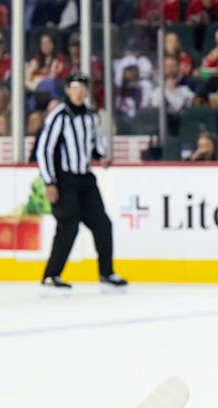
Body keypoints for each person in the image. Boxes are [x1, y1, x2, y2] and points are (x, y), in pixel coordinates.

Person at [35, 73, 127, 295]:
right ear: (68, 90)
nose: (79, 92)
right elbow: (44, 150)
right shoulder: (59, 116)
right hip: (64, 179)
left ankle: (106, 272)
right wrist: (49, 182)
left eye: (83, 87)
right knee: (68, 226)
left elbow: (94, 144)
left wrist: (102, 157)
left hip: (85, 178)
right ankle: (51, 274)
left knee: (103, 225)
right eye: (75, 87)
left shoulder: (91, 116)